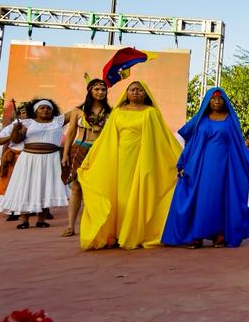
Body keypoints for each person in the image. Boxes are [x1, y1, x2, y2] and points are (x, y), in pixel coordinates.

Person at [78, 81, 181, 250]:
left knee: (140, 194)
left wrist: (179, 158)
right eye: (132, 89)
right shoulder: (117, 113)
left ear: (145, 94)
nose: (136, 93)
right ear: (126, 93)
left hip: (143, 160)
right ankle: (116, 233)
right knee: (120, 196)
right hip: (120, 161)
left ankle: (135, 232)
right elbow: (106, 138)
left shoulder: (150, 112)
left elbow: (163, 138)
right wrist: (92, 158)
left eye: (140, 90)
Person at [162, 87, 249, 249]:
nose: (216, 101)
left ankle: (220, 234)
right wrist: (183, 163)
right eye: (213, 99)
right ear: (207, 101)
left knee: (222, 198)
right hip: (201, 165)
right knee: (201, 198)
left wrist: (248, 163)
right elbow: (189, 140)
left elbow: (238, 144)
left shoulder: (230, 120)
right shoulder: (201, 119)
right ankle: (196, 235)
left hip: (225, 167)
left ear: (225, 102)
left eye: (220, 99)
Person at [0, 99, 70, 229]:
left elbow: (76, 111)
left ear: (52, 110)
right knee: (25, 187)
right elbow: (16, 140)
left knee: (44, 187)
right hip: (29, 159)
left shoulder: (58, 121)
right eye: (41, 108)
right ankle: (24, 220)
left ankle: (41, 220)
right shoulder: (27, 122)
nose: (45, 110)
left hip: (50, 158)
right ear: (35, 110)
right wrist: (16, 129)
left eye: (48, 108)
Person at [60, 78, 112, 237]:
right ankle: (70, 226)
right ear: (90, 91)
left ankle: (95, 225)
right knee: (76, 187)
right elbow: (70, 134)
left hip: (101, 152)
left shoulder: (112, 112)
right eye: (96, 89)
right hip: (80, 149)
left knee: (97, 189)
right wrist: (65, 154)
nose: (100, 92)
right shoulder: (78, 111)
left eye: (103, 89)